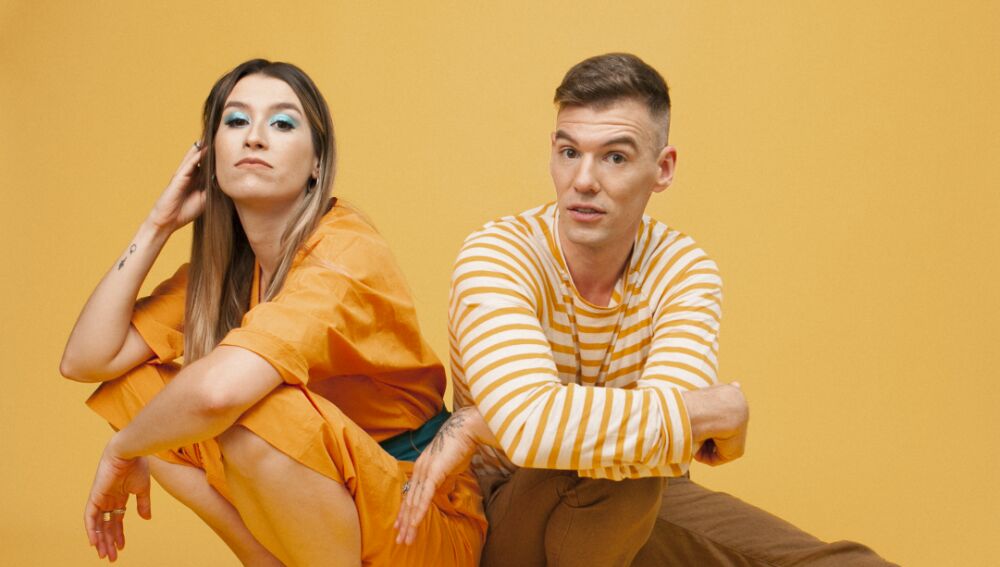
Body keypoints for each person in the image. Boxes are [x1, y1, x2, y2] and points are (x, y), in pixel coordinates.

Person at [396, 53, 895, 566]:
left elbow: (662, 451)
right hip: (506, 513)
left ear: (663, 169)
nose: (583, 180)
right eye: (569, 152)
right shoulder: (499, 254)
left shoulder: (683, 269)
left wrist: (492, 422)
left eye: (614, 157)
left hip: (636, 499)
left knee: (840, 562)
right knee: (626, 463)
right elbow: (534, 427)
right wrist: (705, 410)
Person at [60, 59, 484, 566]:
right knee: (140, 394)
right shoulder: (225, 273)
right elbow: (87, 360)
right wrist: (158, 225)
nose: (255, 138)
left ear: (317, 164)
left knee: (253, 411)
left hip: (419, 512)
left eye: (282, 123)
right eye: (236, 121)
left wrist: (121, 451)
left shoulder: (344, 253)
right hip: (336, 513)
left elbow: (219, 394)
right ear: (209, 156)